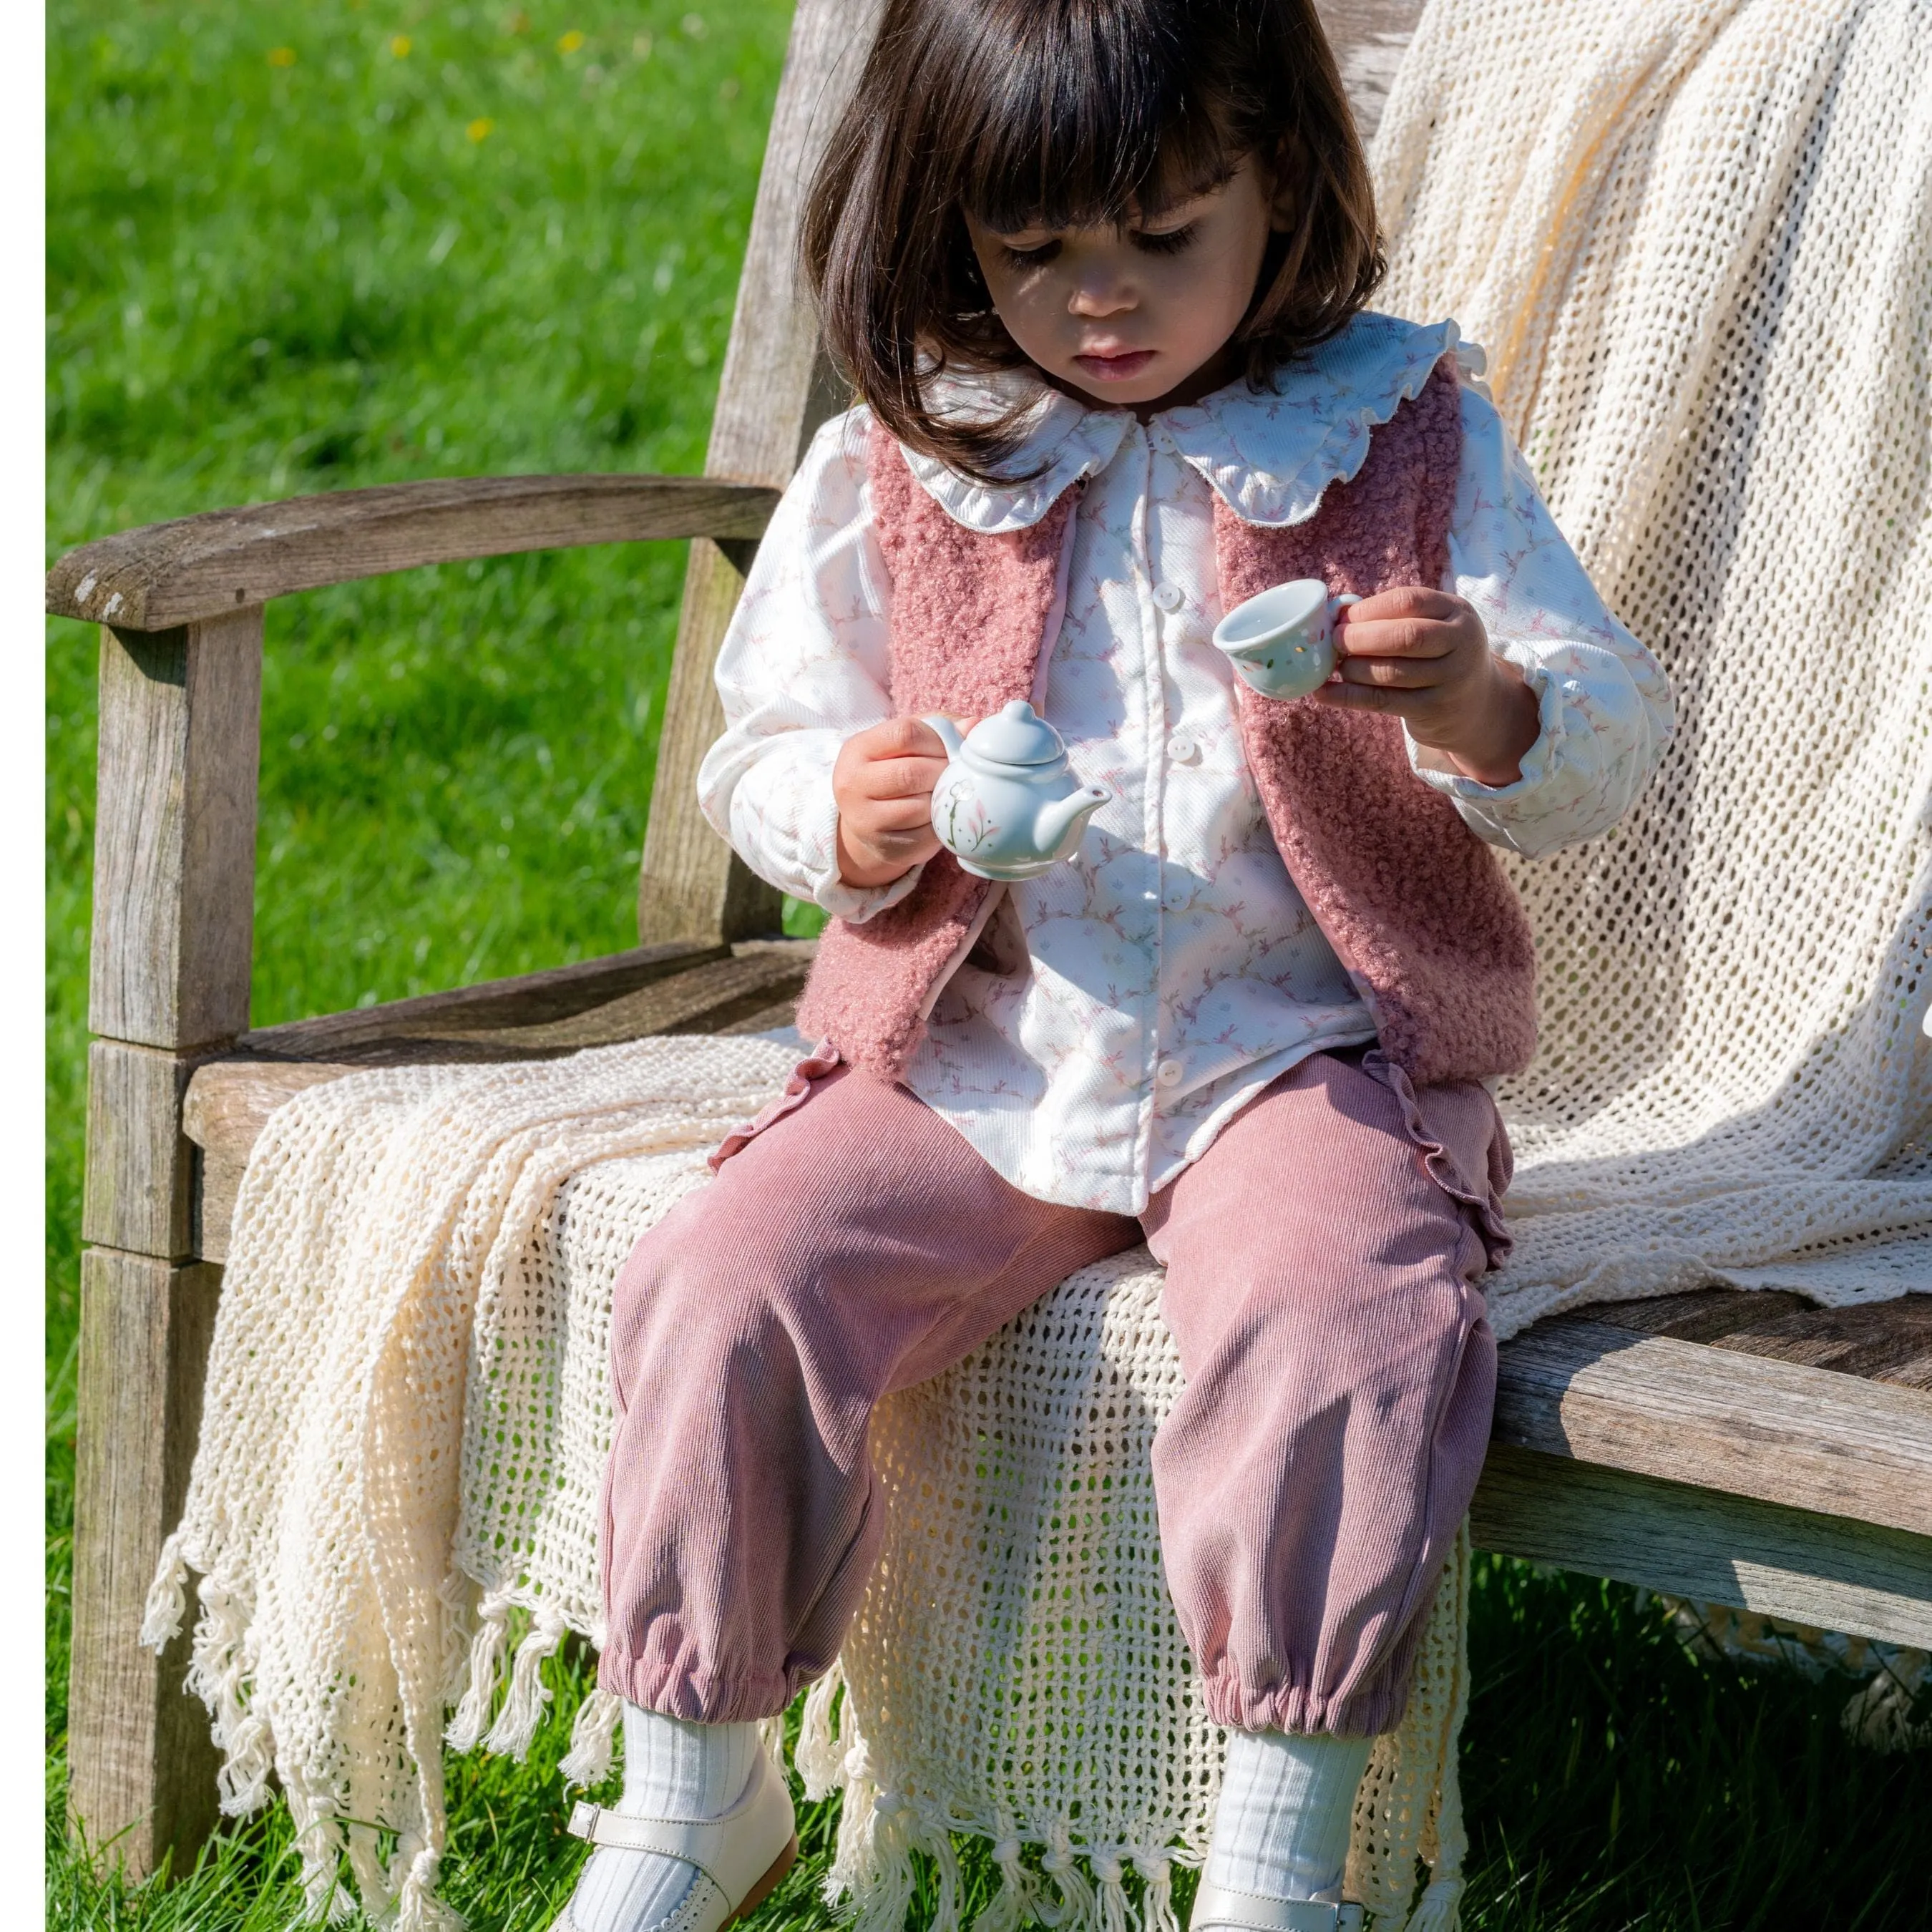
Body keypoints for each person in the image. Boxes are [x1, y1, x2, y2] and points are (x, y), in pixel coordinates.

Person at [552, 2, 1672, 1929]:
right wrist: (854, 801)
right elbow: (766, 743)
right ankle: (693, 1790)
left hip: (1292, 1051)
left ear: (1278, 182)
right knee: (726, 1276)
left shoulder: (1391, 430)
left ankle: (1275, 1861)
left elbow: (1601, 737)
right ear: (947, 222)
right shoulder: (919, 446)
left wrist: (1478, 701)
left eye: (1163, 235)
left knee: (1344, 1318)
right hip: (978, 1049)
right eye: (1030, 247)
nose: (1098, 299)